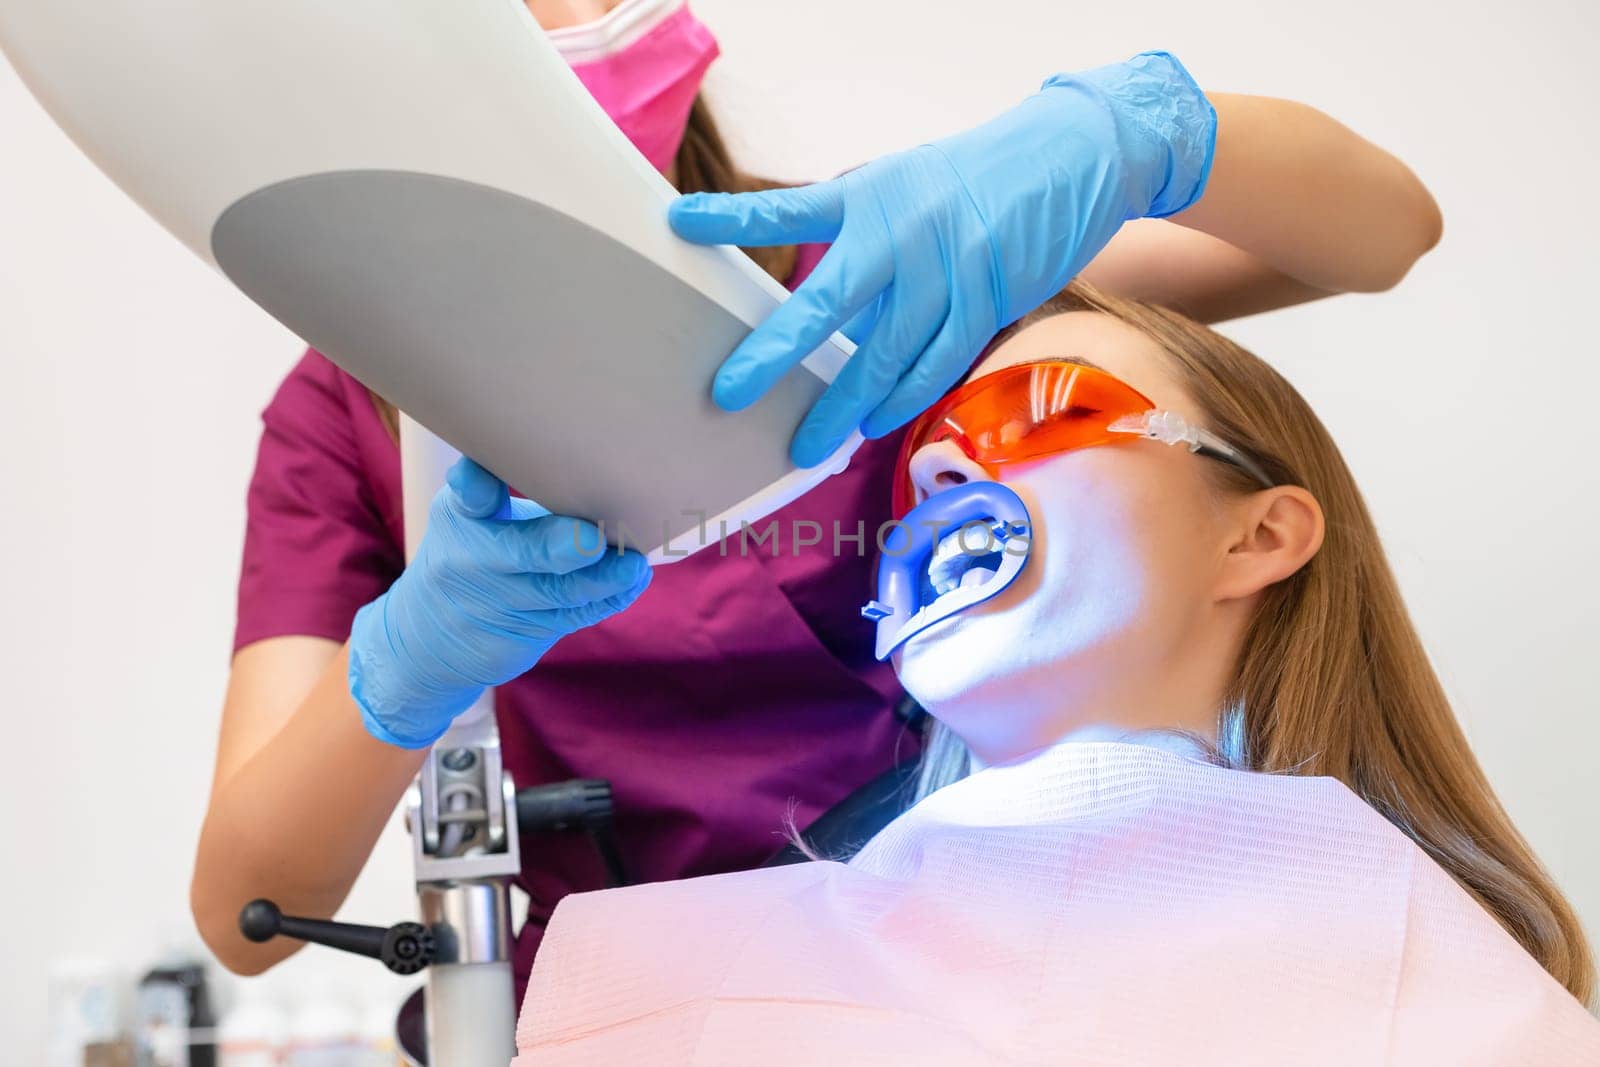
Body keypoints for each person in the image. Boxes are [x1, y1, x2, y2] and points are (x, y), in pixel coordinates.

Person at [190, 0, 1445, 1011]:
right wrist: (409, 663)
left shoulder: (860, 272)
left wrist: (1132, 131)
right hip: (611, 1001)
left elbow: (1380, 236)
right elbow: (244, 907)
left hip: (944, 957)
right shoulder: (356, 408)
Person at [510, 281, 1600, 1065]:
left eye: (1037, 410)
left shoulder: (1459, 996)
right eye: (929, 457)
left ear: (1256, 536)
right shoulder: (683, 976)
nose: (936, 465)